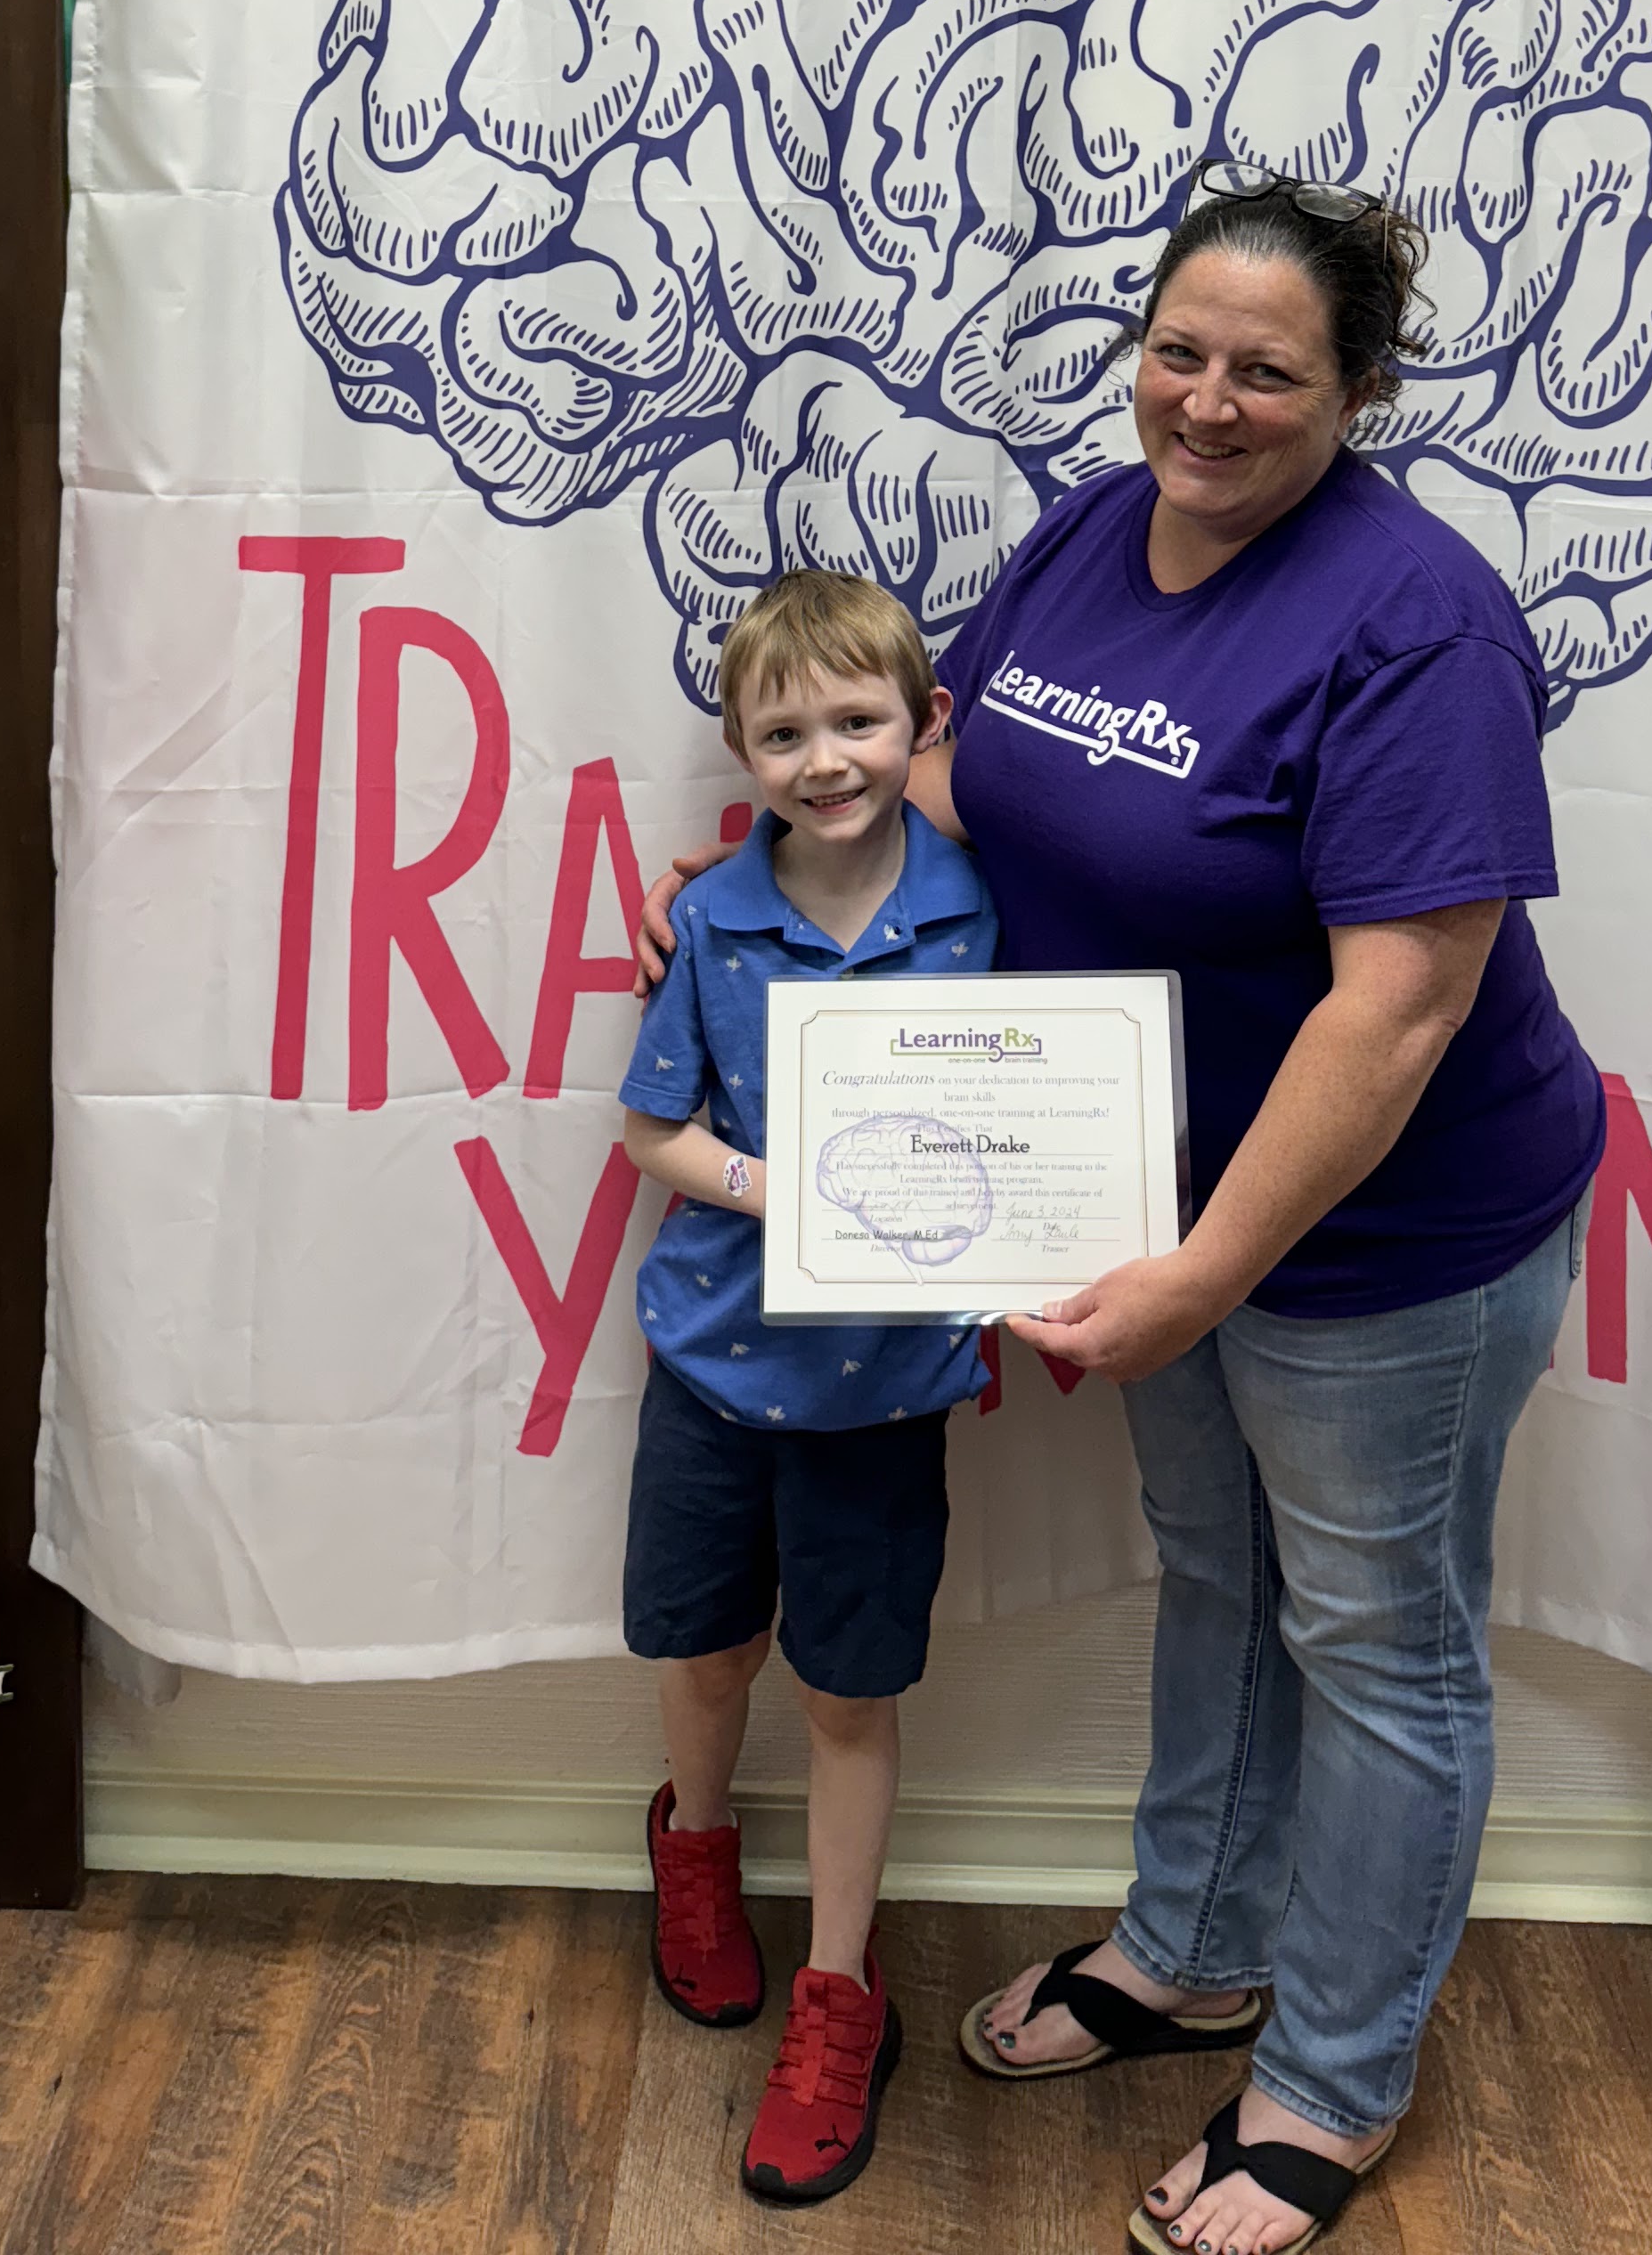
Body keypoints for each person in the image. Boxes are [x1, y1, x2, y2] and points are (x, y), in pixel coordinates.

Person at [641, 170, 1605, 2255]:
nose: (1209, 402)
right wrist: (776, 884)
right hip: (1150, 1202)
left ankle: (1331, 2084)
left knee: (1378, 1646)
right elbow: (960, 777)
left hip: (1384, 1245)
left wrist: (1210, 1271)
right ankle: (1193, 1949)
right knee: (1219, 1576)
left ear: (1358, 393)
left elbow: (1402, 1000)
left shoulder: (1416, 621)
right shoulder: (1095, 526)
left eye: (1270, 373)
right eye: (1180, 351)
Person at [620, 564, 998, 2210]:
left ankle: (842, 1991)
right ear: (741, 751)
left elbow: (1059, 1099)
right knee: (707, 1651)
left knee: (851, 1693)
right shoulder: (712, 919)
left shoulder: (988, 910)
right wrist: (785, 1192)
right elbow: (651, 1129)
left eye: (858, 721)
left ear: (925, 725)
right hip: (714, 1372)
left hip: (887, 1391)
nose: (824, 759)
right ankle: (695, 1848)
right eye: (783, 734)